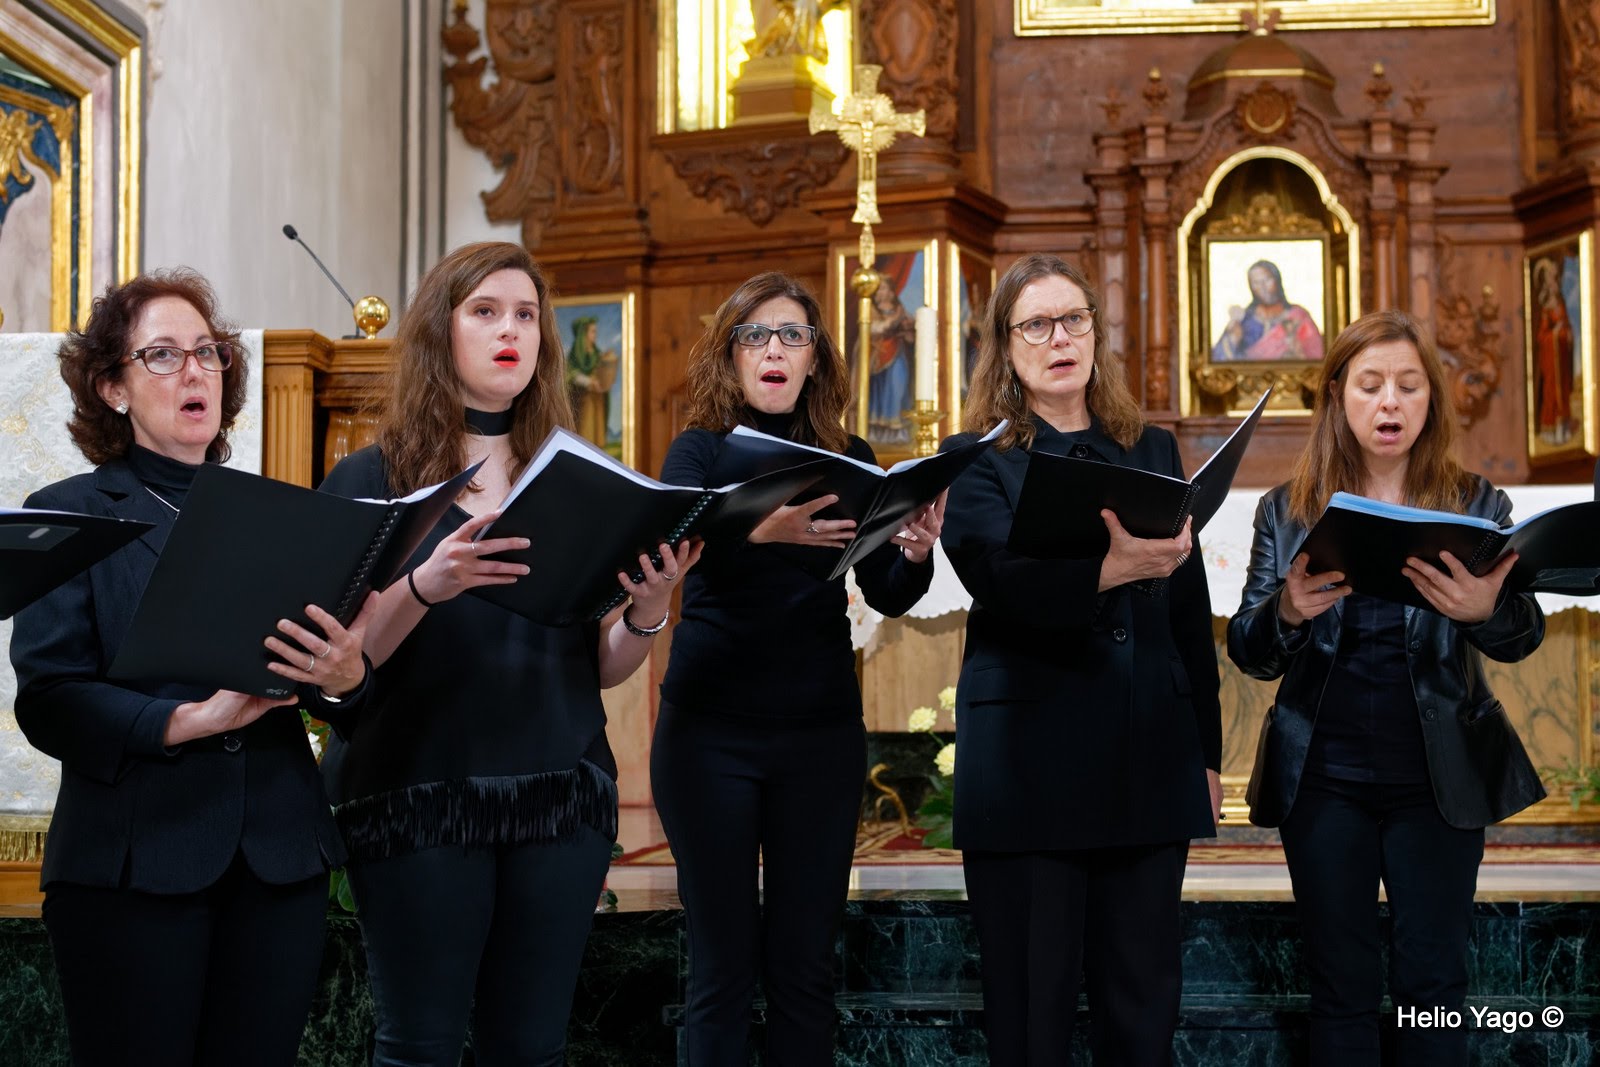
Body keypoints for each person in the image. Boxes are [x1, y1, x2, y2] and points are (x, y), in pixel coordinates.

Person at [317, 241, 698, 1066]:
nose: (510, 332)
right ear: (438, 334)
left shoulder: (579, 477)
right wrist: (426, 584)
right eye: (485, 312)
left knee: (530, 1048)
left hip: (559, 795)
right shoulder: (372, 479)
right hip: (420, 795)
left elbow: (596, 663)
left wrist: (648, 610)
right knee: (418, 1046)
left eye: (526, 316)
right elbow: (337, 663)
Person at [10, 270, 372, 1067]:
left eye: (207, 352)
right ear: (112, 387)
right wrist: (187, 720)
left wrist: (347, 676)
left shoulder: (280, 512)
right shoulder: (69, 513)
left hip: (278, 856)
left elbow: (332, 690)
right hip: (135, 861)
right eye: (164, 355)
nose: (197, 370)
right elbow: (50, 698)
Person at [1227, 309, 1546, 1065]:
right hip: (1324, 778)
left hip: (1434, 781)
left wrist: (1486, 609)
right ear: (1338, 395)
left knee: (1434, 987)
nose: (1390, 403)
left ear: (1430, 398)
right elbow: (1250, 648)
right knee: (1340, 987)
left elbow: (1523, 633)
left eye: (1408, 385)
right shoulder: (1287, 507)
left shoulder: (1474, 503)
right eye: (1370, 385)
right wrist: (1287, 613)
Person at [940, 252, 1223, 1066]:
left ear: (1096, 333)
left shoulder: (1153, 448)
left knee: (1143, 1013)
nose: (1058, 338)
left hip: (1148, 755)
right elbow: (998, 577)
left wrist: (1205, 752)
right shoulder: (977, 457)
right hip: (1029, 765)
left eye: (1074, 320)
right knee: (1031, 1020)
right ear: (1005, 344)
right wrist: (1109, 571)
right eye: (1036, 324)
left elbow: (1187, 615)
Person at [654, 271, 943, 1065]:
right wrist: (759, 527)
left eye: (792, 335)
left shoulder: (848, 454)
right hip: (710, 731)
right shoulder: (702, 448)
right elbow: (665, 540)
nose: (774, 349)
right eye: (756, 335)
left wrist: (914, 550)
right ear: (732, 356)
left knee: (804, 970)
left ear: (816, 357)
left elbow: (883, 585)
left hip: (818, 735)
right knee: (719, 968)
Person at [1211, 259, 1325, 362]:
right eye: (1256, 283)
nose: (1263, 287)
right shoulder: (1244, 320)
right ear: (1251, 287)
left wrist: (1297, 351)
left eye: (1267, 279)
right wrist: (1233, 340)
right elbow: (1220, 359)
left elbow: (1318, 356)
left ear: (1277, 280)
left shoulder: (1298, 316)